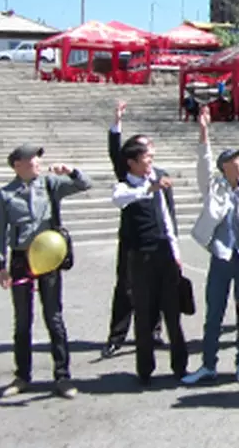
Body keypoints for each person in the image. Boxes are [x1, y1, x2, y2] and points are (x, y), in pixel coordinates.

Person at [183, 107, 239, 385]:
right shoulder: (214, 190)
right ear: (225, 166)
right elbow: (203, 163)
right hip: (221, 258)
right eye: (237, 158)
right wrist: (204, 131)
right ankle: (208, 364)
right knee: (214, 314)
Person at [0, 145, 92, 399]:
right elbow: (0, 232)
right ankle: (22, 376)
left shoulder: (50, 184)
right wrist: (1, 266)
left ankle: (62, 376)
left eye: (38, 159)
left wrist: (71, 171)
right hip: (21, 259)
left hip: (48, 256)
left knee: (54, 317)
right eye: (32, 159)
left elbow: (85, 184)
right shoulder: (6, 194)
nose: (38, 163)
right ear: (17, 165)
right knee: (22, 320)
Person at [111, 139, 188, 386]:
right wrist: (148, 189)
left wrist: (176, 252)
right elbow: (119, 199)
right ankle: (145, 369)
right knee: (144, 313)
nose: (150, 162)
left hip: (164, 252)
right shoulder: (125, 186)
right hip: (140, 257)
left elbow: (166, 219)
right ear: (132, 163)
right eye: (146, 158)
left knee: (173, 312)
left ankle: (180, 366)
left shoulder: (156, 182)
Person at [103, 100, 164, 357]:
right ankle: (117, 336)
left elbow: (167, 210)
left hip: (156, 238)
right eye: (146, 149)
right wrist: (117, 122)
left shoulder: (159, 174)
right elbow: (114, 151)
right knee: (126, 287)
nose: (151, 153)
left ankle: (154, 331)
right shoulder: (126, 175)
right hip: (131, 239)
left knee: (157, 286)